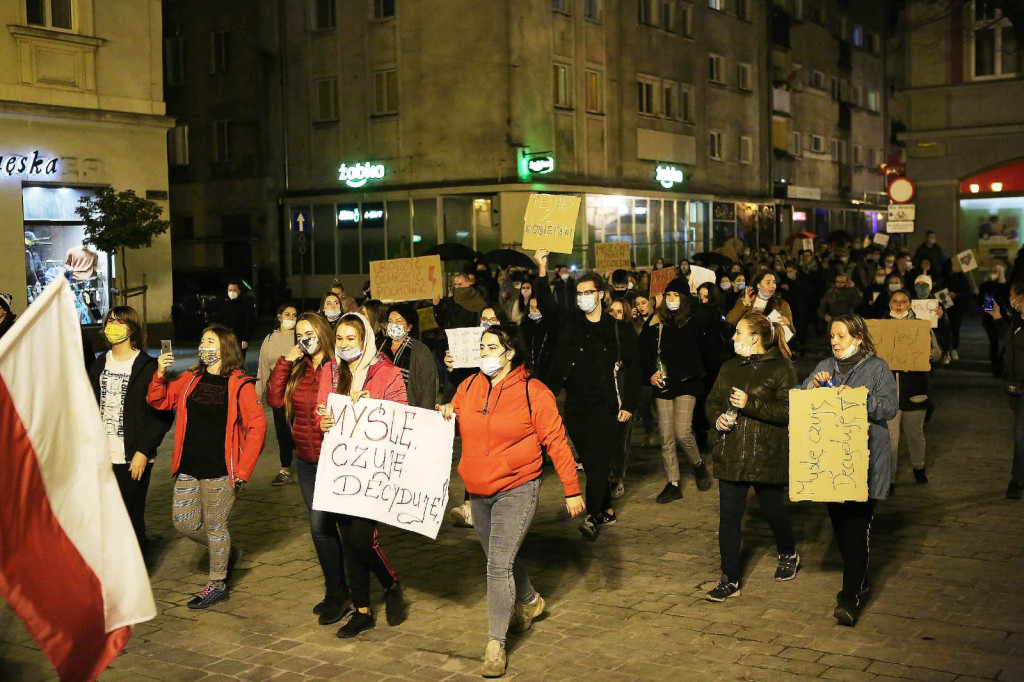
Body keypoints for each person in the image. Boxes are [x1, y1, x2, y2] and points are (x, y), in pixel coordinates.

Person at [437, 324, 584, 678]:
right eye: (482, 347)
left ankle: (495, 644)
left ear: (510, 352)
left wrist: (572, 488)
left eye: (492, 347)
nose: (485, 353)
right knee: (499, 557)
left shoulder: (534, 391)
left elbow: (557, 442)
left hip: (517, 488)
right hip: (479, 491)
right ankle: (531, 601)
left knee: (497, 564)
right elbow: (455, 425)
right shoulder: (468, 387)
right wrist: (444, 412)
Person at [148, 324, 266, 609]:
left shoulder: (240, 384)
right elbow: (160, 400)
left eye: (210, 341)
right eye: (202, 341)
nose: (203, 346)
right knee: (184, 522)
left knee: (215, 525)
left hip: (221, 469)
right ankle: (227, 552)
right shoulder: (191, 377)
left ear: (224, 347)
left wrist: (242, 471)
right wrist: (160, 375)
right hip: (189, 464)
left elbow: (258, 426)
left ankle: (217, 583)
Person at [800, 314, 898, 626]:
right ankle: (860, 578)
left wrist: (858, 399)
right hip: (832, 461)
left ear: (857, 337)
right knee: (840, 525)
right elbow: (801, 395)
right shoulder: (824, 365)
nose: (834, 341)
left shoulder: (877, 367)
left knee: (857, 527)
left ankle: (849, 595)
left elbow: (889, 406)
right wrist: (812, 388)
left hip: (865, 461)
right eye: (831, 336)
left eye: (841, 336)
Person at [318, 313, 409, 638]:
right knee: (349, 541)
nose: (343, 345)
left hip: (373, 470)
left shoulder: (386, 372)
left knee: (361, 539)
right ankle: (362, 611)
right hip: (342, 470)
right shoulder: (329, 371)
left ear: (365, 339)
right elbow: (321, 410)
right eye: (339, 339)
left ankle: (390, 583)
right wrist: (323, 422)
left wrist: (376, 408)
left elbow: (403, 415)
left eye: (350, 339)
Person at [704, 313, 799, 602]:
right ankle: (729, 579)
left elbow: (789, 411)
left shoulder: (782, 368)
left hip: (766, 454)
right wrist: (717, 418)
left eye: (738, 333)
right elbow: (711, 402)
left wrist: (751, 404)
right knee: (729, 519)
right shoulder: (729, 367)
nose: (734, 338)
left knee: (773, 511)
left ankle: (788, 552)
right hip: (731, 452)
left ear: (755, 338)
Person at [267, 312, 352, 626]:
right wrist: (285, 362)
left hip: (336, 460)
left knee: (344, 529)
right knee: (320, 529)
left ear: (322, 332)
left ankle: (355, 590)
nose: (305, 338)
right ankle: (337, 591)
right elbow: (274, 399)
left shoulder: (338, 366)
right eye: (299, 333)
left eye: (310, 331)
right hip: (307, 461)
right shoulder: (297, 368)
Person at [545, 272, 640, 540]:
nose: (584, 298)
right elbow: (549, 310)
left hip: (607, 405)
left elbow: (634, 368)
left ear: (600, 294)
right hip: (576, 404)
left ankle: (591, 517)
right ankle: (607, 509)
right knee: (589, 459)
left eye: (589, 292)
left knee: (598, 461)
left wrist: (630, 403)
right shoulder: (573, 323)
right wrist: (542, 273)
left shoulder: (617, 328)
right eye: (579, 293)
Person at [88, 306, 173, 555]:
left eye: (120, 321)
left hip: (132, 457)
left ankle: (137, 575)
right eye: (110, 320)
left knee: (130, 517)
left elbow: (162, 415)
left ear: (132, 329)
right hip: (102, 455)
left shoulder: (146, 366)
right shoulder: (100, 362)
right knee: (105, 517)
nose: (113, 325)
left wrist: (143, 452)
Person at [639, 279, 711, 503]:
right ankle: (673, 483)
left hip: (687, 383)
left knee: (682, 432)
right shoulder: (659, 321)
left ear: (684, 298)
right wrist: (651, 373)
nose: (671, 300)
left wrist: (694, 299)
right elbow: (644, 350)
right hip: (664, 383)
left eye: (675, 296)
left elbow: (708, 329)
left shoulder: (693, 320)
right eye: (668, 295)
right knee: (666, 436)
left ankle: (698, 465)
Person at [885, 291, 942, 492]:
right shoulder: (882, 327)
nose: (899, 305)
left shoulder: (921, 326)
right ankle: (889, 478)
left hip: (915, 389)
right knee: (889, 438)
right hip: (889, 392)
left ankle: (919, 467)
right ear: (890, 303)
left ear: (909, 304)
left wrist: (927, 355)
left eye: (903, 301)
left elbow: (937, 352)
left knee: (915, 433)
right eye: (895, 301)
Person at [988, 281, 1024, 499]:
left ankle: (1015, 481)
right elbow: (1009, 342)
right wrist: (997, 318)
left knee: (1020, 433)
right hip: (1013, 385)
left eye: (1018, 298)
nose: (1017, 303)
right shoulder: (1018, 321)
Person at [257, 303, 298, 485]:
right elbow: (263, 369)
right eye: (287, 314)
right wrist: (256, 396)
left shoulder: (301, 337)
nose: (291, 318)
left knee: (300, 427)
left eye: (294, 315)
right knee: (282, 429)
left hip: (296, 386)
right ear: (279, 316)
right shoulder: (269, 339)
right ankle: (285, 468)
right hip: (278, 389)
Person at [382, 303, 438, 410]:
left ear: (409, 326)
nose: (393, 325)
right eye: (390, 321)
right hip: (381, 408)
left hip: (408, 411)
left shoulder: (421, 351)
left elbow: (427, 390)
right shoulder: (379, 347)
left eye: (398, 321)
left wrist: (423, 415)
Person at [726, 271, 795, 339]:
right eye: (768, 282)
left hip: (771, 347)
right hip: (748, 345)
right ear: (758, 285)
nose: (772, 286)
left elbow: (792, 333)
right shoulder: (746, 300)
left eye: (774, 282)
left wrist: (789, 325)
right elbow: (730, 320)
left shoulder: (782, 304)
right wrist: (745, 304)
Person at [979, 264, 1011, 377]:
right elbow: (982, 301)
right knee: (994, 342)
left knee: (1007, 343)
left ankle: (1002, 365)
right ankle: (996, 368)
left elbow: (1007, 298)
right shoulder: (986, 285)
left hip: (1004, 319)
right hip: (989, 319)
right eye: (992, 271)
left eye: (996, 271)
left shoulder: (1007, 285)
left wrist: (1001, 281)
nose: (993, 273)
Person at [220, 281, 256, 357]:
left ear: (239, 291)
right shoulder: (224, 304)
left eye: (234, 290)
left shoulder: (246, 305)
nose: (231, 292)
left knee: (239, 358)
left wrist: (245, 338)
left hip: (240, 337)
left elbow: (249, 322)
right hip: (227, 337)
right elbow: (221, 321)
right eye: (230, 290)